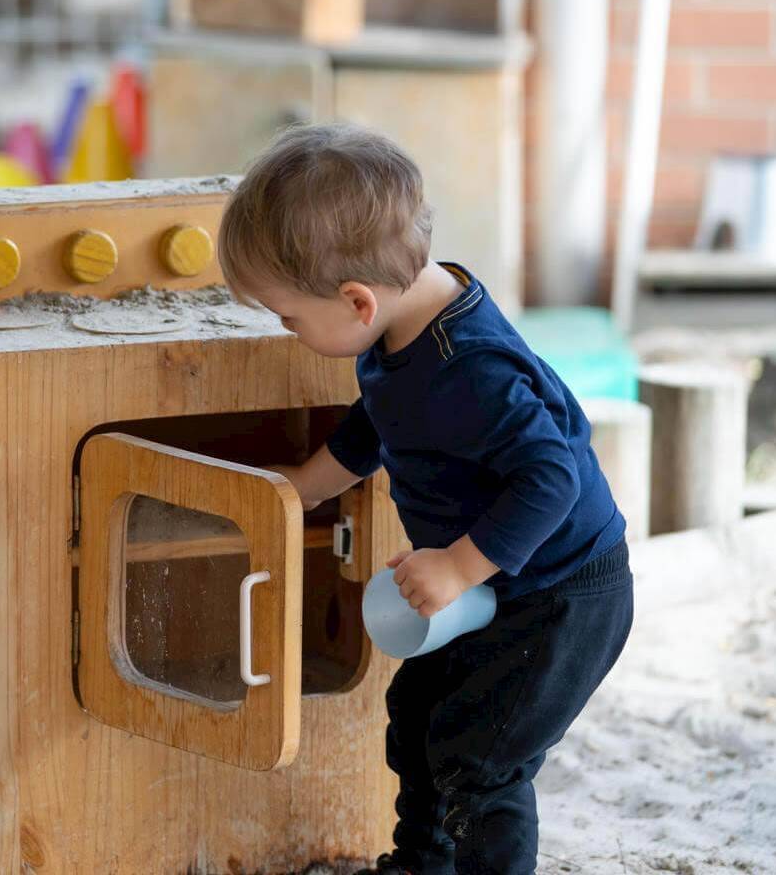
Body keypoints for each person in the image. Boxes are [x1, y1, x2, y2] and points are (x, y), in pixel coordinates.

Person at [217, 122, 635, 875]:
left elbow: (552, 478)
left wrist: (457, 566)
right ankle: (421, 863)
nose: (286, 330)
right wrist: (302, 487)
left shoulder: (471, 368)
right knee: (418, 718)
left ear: (356, 302)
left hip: (563, 594)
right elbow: (380, 420)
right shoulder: (400, 329)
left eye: (289, 317)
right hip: (497, 582)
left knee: (483, 759)